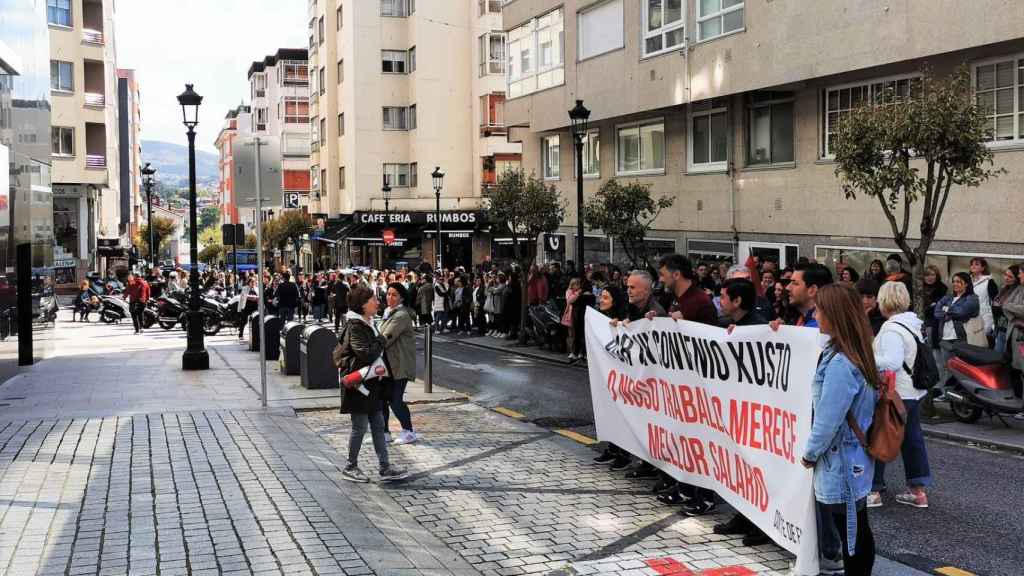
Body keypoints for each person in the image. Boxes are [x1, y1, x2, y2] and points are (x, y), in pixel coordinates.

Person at [802, 283, 878, 576]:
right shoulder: (856, 352)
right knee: (857, 529)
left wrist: (810, 453)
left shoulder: (840, 363)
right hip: (853, 458)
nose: (815, 314)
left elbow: (827, 420)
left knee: (851, 533)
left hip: (840, 461)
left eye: (819, 309)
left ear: (833, 314)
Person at [655, 254, 719, 516]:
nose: (661, 278)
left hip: (700, 383)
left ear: (676, 274)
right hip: (683, 381)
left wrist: (684, 324)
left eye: (663, 273)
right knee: (684, 438)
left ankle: (704, 495)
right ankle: (685, 487)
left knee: (700, 439)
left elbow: (708, 341)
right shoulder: (681, 299)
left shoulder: (699, 302)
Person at [713, 278, 770, 545]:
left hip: (756, 413)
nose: (720, 301)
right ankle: (743, 516)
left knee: (757, 468)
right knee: (741, 466)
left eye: (724, 297)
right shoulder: (735, 326)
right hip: (739, 410)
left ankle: (761, 525)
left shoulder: (758, 327)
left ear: (737, 302)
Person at [867, 281, 932, 509]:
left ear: (884, 300)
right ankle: (918, 490)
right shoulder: (914, 324)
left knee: (880, 436)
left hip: (895, 393)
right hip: (915, 391)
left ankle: (873, 491)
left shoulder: (891, 329)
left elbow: (891, 362)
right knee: (913, 440)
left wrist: (864, 357)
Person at [335, 285, 407, 483]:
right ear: (362, 305)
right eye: (373, 300)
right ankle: (350, 466)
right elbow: (366, 353)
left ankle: (385, 467)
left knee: (378, 423)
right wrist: (382, 340)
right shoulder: (355, 326)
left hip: (371, 383)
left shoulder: (367, 322)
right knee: (359, 427)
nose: (377, 302)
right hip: (358, 384)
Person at [381, 283, 418, 445]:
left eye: (394, 294)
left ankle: (409, 431)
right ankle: (384, 432)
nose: (390, 297)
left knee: (395, 400)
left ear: (402, 297)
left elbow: (386, 336)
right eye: (388, 294)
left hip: (399, 365)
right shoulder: (389, 312)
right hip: (388, 363)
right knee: (382, 399)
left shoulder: (401, 315)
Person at [933, 272, 981, 399]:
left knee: (960, 368)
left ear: (966, 284)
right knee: (947, 366)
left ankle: (961, 394)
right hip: (945, 337)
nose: (955, 284)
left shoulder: (972, 298)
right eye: (954, 281)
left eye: (959, 281)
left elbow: (962, 311)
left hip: (961, 338)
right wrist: (949, 312)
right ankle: (947, 393)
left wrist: (947, 310)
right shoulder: (948, 297)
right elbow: (936, 312)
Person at [778, 262, 833, 329]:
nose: (788, 287)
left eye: (795, 283)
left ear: (812, 290)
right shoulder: (797, 317)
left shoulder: (820, 327)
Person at [969, 257, 999, 343]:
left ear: (983, 268)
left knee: (981, 342)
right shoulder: (967, 281)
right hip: (969, 316)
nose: (973, 266)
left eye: (976, 264)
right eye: (972, 264)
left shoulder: (989, 282)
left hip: (985, 317)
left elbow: (996, 301)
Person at [570, 277, 596, 362]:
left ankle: (575, 353)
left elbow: (571, 302)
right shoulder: (592, 297)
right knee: (585, 336)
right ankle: (583, 353)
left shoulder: (580, 297)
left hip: (577, 317)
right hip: (588, 318)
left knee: (576, 335)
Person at [922, 265, 948, 346]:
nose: (930, 277)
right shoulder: (918, 287)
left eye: (933, 275)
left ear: (937, 276)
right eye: (927, 275)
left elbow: (937, 306)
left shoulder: (942, 288)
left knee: (930, 342)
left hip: (933, 320)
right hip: (918, 318)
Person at [563, 278, 581, 360]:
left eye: (578, 284)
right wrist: (577, 294)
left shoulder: (579, 292)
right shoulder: (569, 291)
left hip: (576, 315)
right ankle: (571, 351)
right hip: (569, 315)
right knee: (571, 334)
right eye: (576, 284)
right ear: (572, 285)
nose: (578, 286)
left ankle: (577, 351)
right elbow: (570, 300)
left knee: (576, 334)